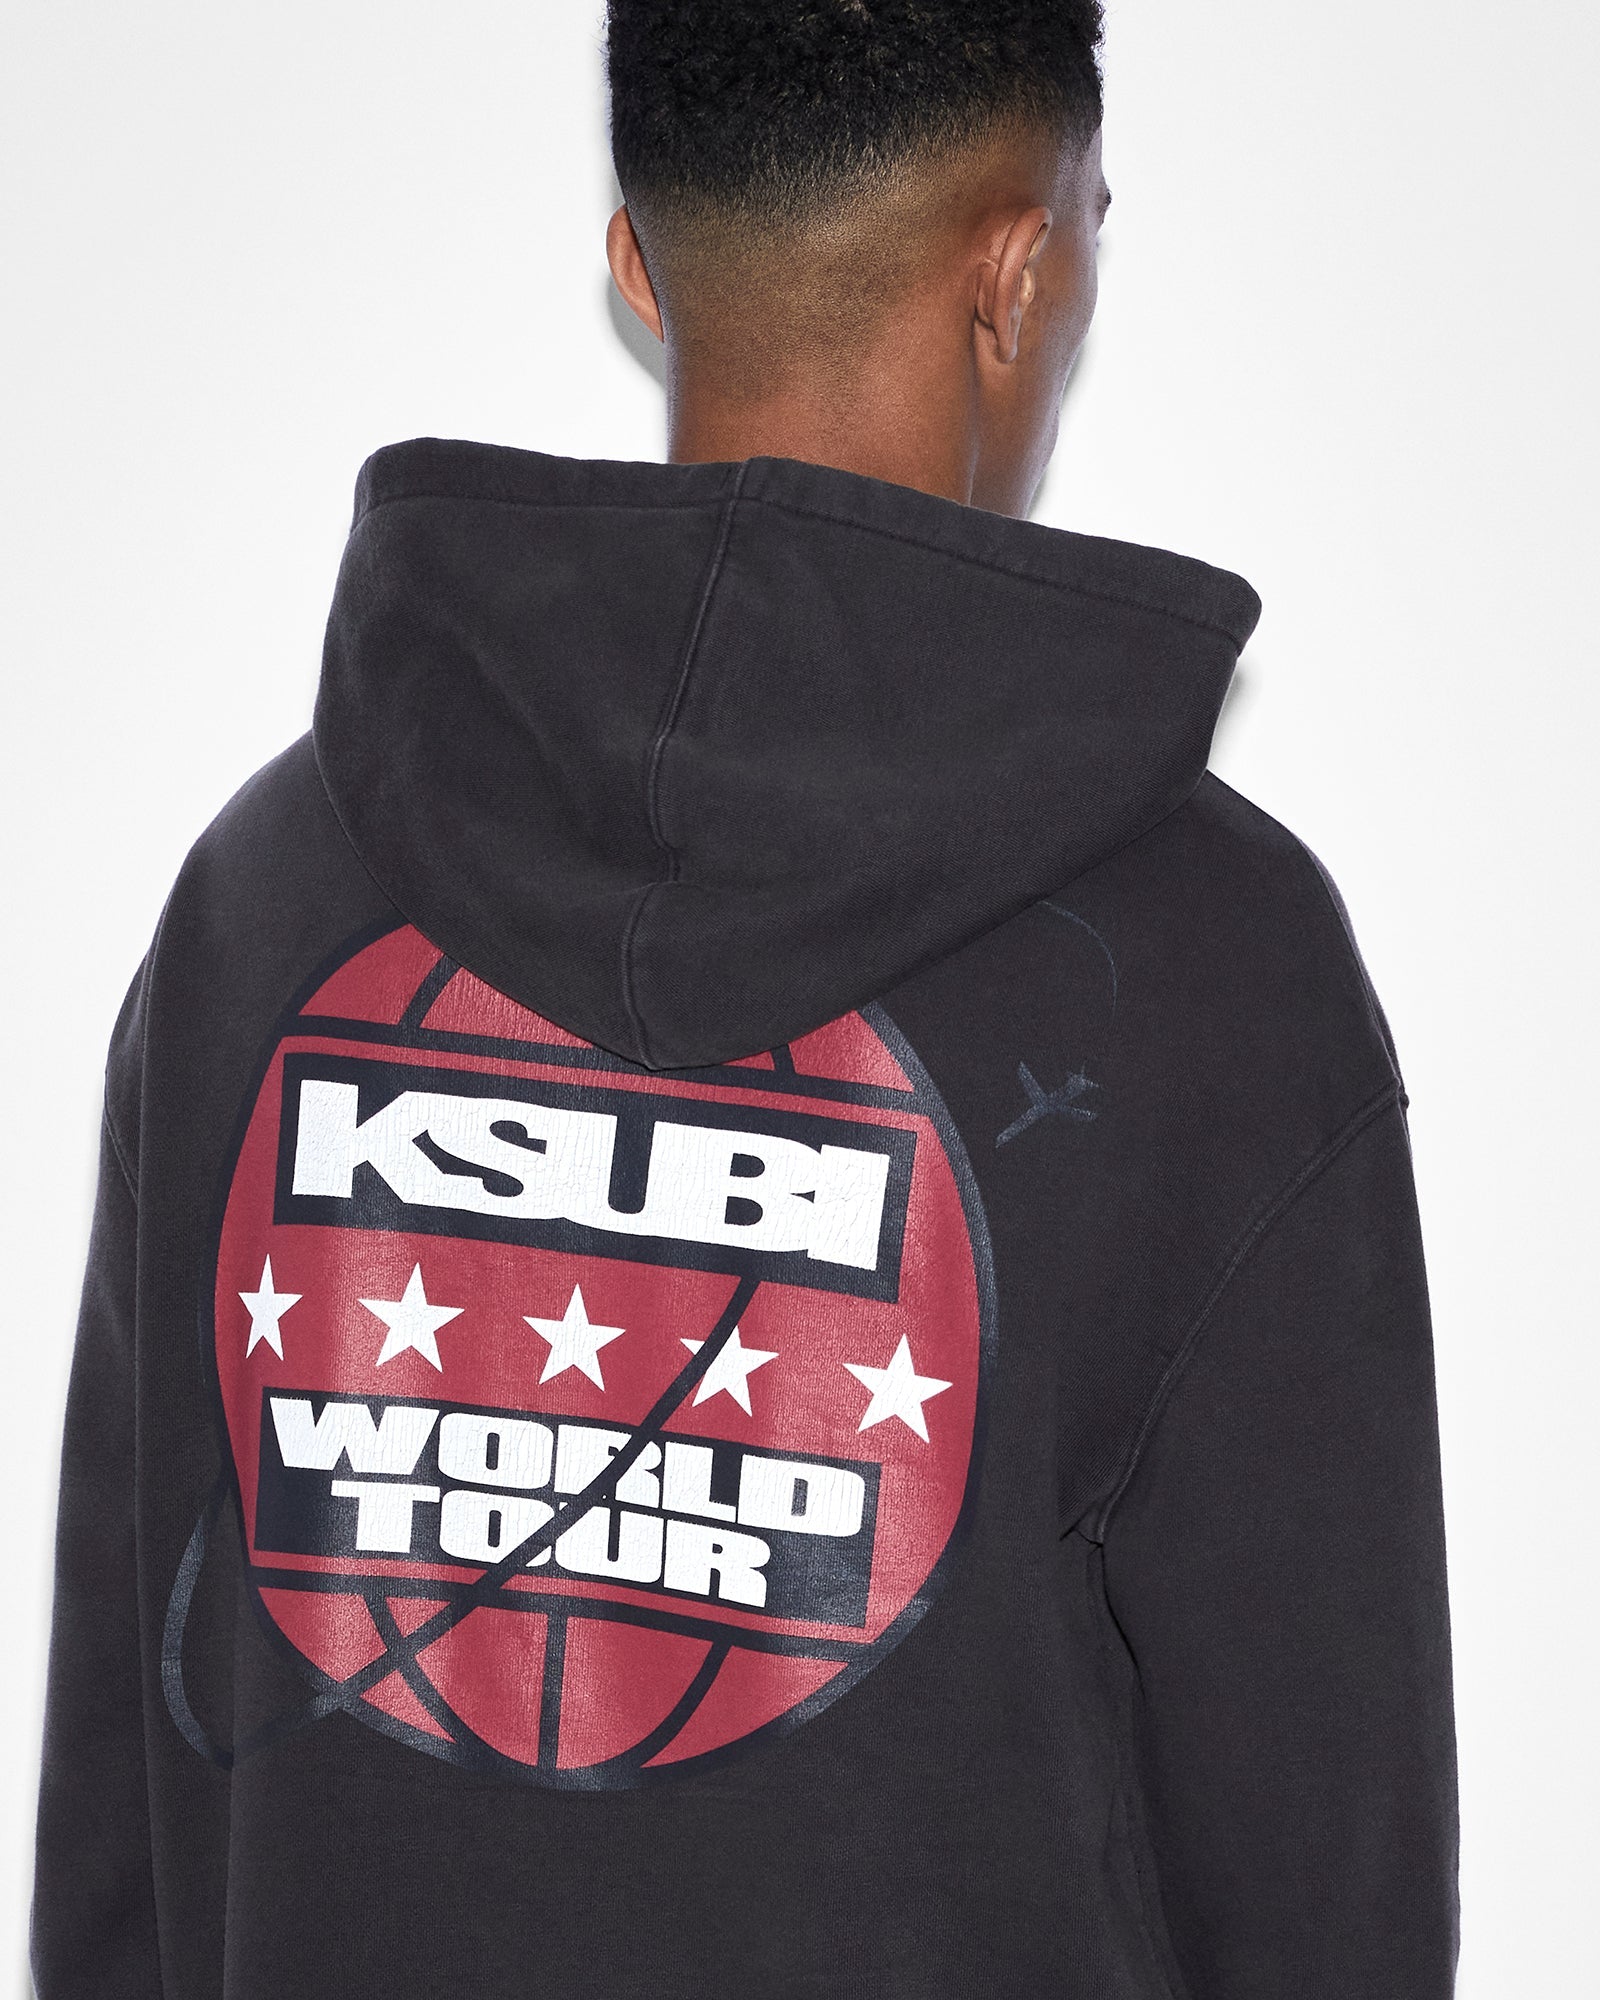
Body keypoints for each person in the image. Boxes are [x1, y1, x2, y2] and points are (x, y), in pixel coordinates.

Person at [31, 3, 1458, 1996]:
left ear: (639, 262)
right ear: (1016, 270)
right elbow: (1318, 1874)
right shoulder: (1219, 971)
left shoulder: (260, 904)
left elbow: (124, 1825)